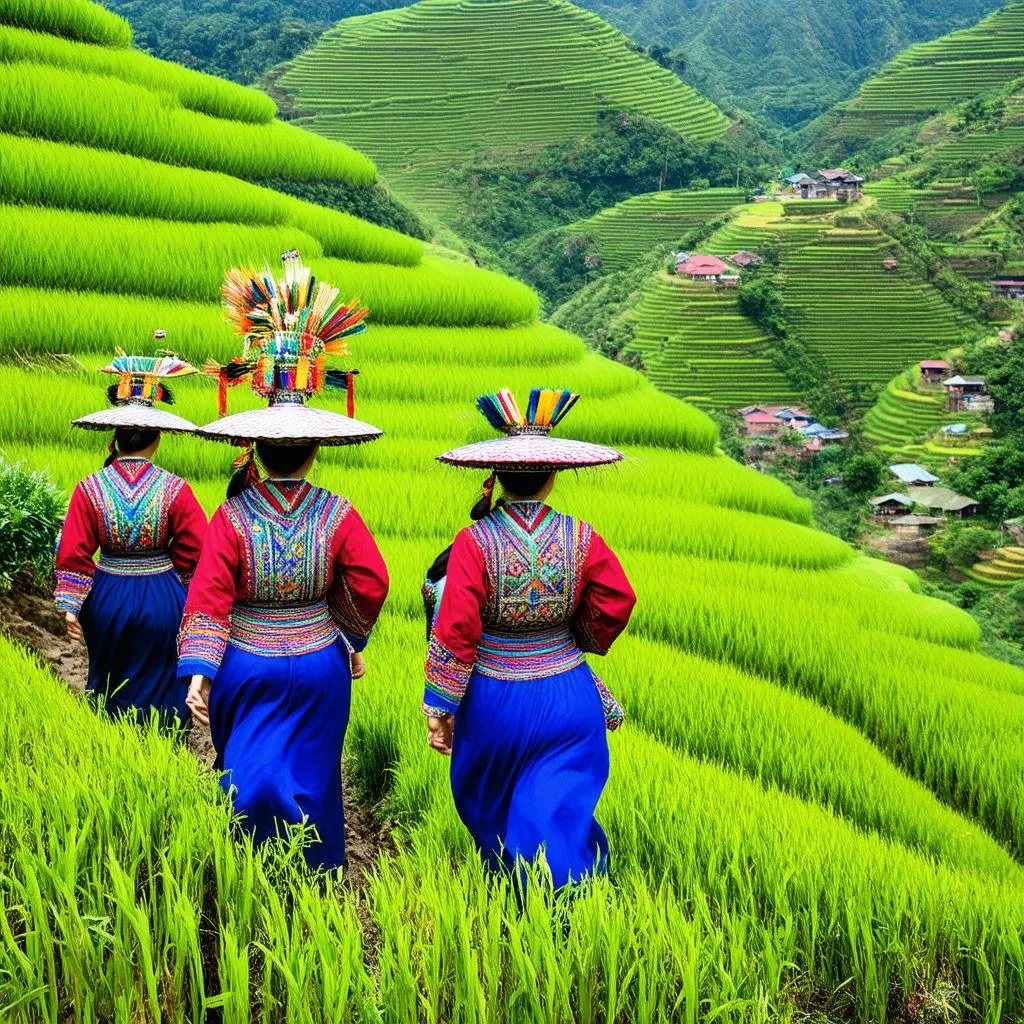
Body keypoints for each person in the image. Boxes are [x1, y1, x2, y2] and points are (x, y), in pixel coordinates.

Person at [178, 253, 389, 872]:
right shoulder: (338, 513)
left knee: (247, 767)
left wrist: (199, 670)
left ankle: (249, 871)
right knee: (317, 774)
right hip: (321, 664)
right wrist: (346, 635)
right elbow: (371, 582)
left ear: (255, 445)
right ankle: (316, 870)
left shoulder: (233, 517)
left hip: (247, 664)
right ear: (317, 445)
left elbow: (210, 596)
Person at [423, 388, 635, 889]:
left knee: (495, 807)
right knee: (559, 811)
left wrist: (440, 705)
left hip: (495, 699)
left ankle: (527, 907)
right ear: (554, 476)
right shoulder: (582, 537)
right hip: (569, 696)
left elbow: (456, 628)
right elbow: (616, 600)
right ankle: (567, 908)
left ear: (495, 478)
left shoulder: (474, 542)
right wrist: (571, 639)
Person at [54, 352, 206, 726]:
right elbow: (195, 549)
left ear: (116, 437)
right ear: (156, 438)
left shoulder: (90, 488)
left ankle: (114, 744)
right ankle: (163, 745)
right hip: (162, 599)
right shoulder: (175, 489)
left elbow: (74, 553)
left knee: (110, 681)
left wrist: (71, 605)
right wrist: (183, 587)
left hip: (107, 598)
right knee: (161, 680)